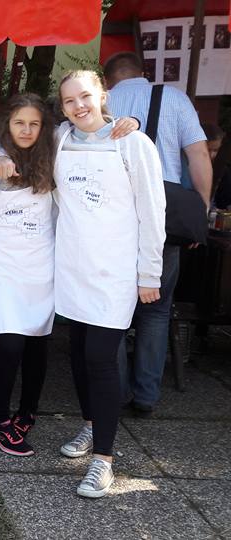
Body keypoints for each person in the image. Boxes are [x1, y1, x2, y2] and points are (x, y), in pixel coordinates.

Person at [48, 70, 165, 498]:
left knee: (100, 357)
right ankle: (91, 424)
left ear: (102, 95)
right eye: (69, 101)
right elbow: (5, 142)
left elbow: (153, 211)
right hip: (73, 267)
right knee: (79, 354)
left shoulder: (133, 143)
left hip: (114, 272)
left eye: (85, 96)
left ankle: (104, 460)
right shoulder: (59, 139)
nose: (78, 106)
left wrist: (149, 273)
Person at [103, 52, 213, 417]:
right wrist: (199, 210)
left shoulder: (103, 103)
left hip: (115, 216)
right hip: (166, 216)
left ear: (108, 79)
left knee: (112, 311)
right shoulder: (175, 99)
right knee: (157, 310)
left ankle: (115, 392)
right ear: (143, 73)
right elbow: (199, 154)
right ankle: (146, 396)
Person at [0, 94, 57, 456]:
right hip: (2, 268)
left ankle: (27, 412)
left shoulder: (54, 160)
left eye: (34, 123)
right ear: (7, 125)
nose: (27, 130)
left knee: (37, 347)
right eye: (19, 123)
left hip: (43, 269)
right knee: (9, 346)